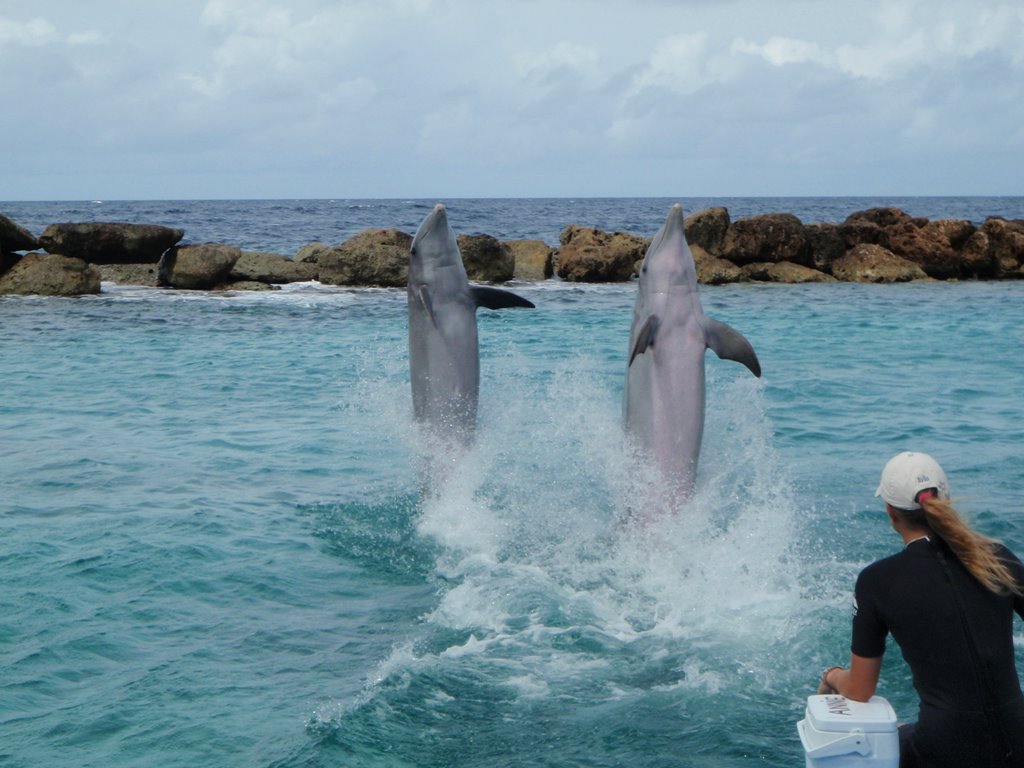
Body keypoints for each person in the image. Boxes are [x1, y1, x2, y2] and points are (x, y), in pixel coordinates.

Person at [819, 451, 1024, 768]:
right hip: (1018, 739)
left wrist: (832, 676)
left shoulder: (878, 581)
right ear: (947, 499)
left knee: (869, 742)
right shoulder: (997, 556)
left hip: (945, 751)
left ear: (890, 511)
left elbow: (860, 689)